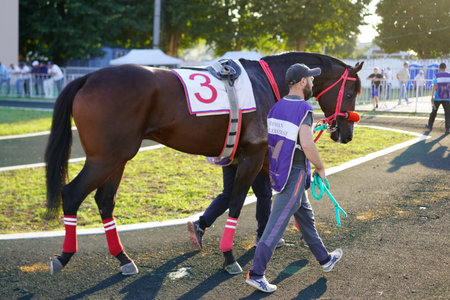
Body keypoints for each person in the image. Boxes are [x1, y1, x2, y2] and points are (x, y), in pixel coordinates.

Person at [246, 63, 342, 293]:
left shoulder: (276, 107)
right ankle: (256, 273)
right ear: (302, 82)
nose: (312, 82)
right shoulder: (304, 109)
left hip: (280, 168)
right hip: (295, 171)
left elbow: (289, 136)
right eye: (310, 78)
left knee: (306, 217)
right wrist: (320, 166)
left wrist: (312, 126)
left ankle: (325, 259)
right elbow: (306, 144)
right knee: (276, 224)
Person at [187, 164, 285, 251]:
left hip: (231, 154)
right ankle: (264, 235)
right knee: (264, 194)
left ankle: (200, 225)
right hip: (253, 154)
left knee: (229, 194)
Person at [425, 63, 450, 134]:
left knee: (434, 112)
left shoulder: (437, 75)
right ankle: (447, 129)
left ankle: (430, 126)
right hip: (447, 98)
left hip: (438, 97)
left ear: (439, 68)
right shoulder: (449, 75)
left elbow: (435, 85)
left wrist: (432, 96)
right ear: (445, 67)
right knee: (448, 114)